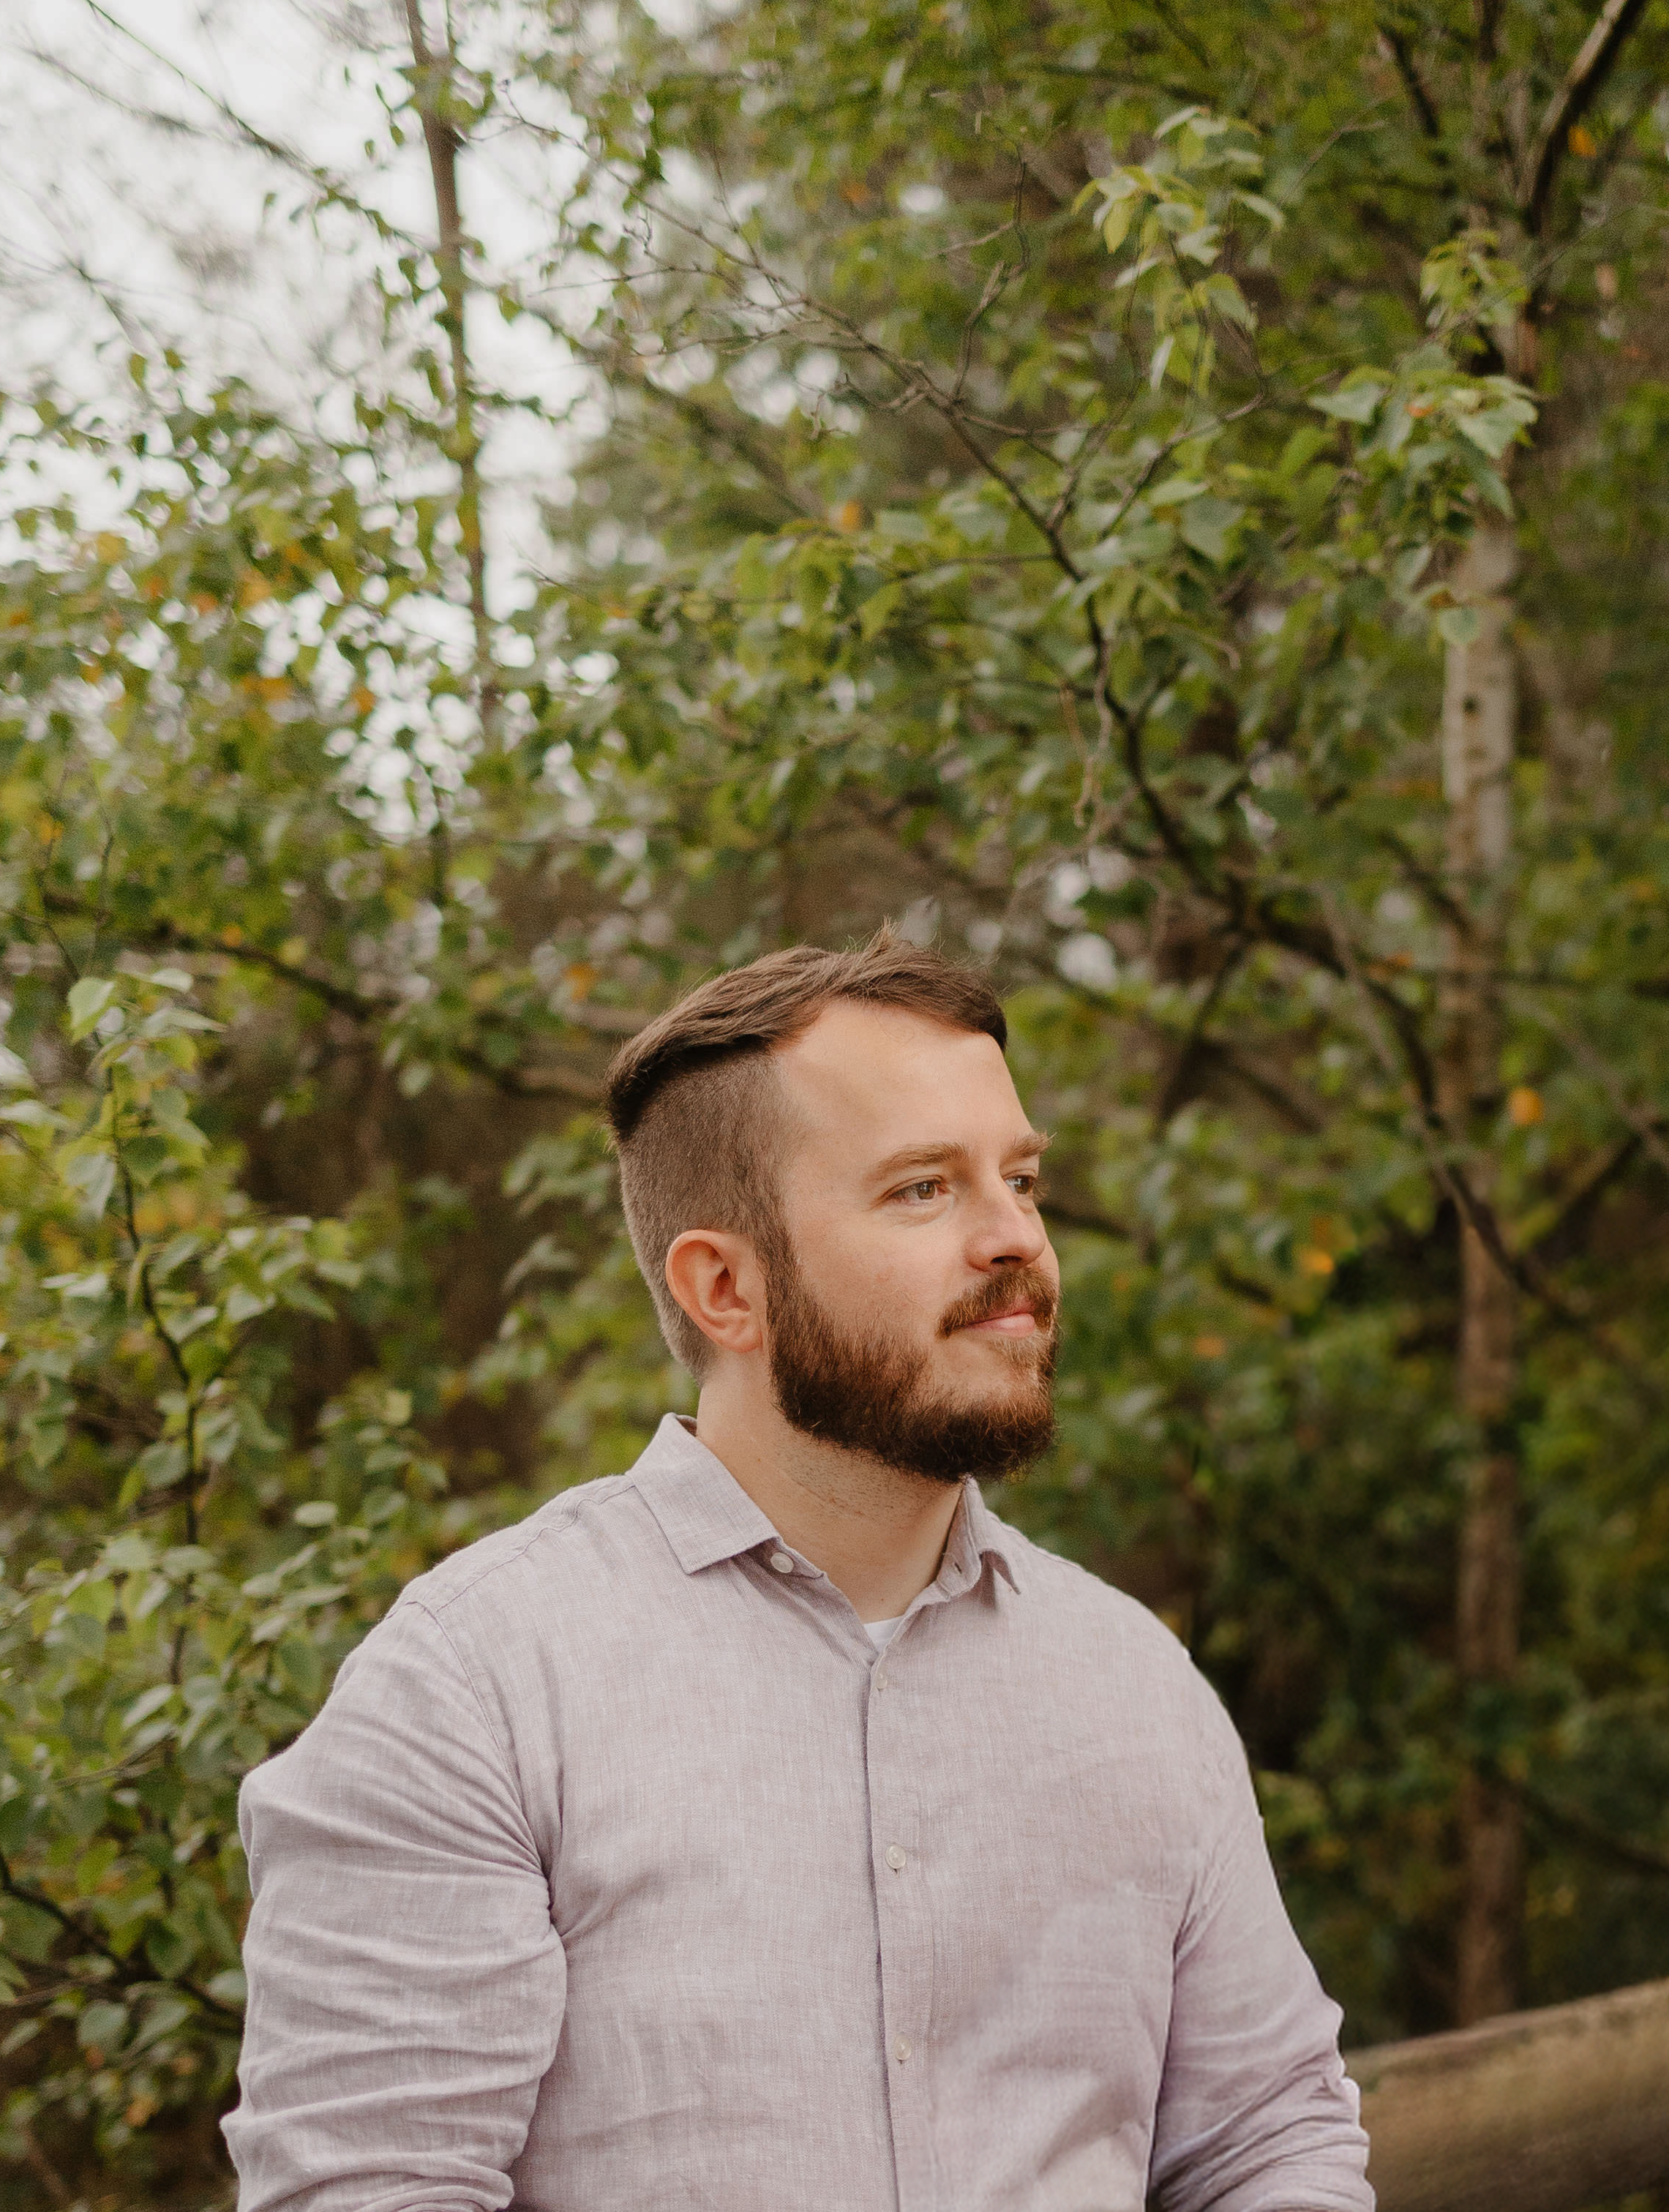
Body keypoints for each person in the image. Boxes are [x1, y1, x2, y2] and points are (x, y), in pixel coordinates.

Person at [223, 929, 1375, 2212]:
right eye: (923, 1190)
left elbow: (1268, 2141)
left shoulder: (1135, 1685)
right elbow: (367, 2190)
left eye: (1022, 1179)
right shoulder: (473, 1694)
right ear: (727, 1287)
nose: (1017, 1239)